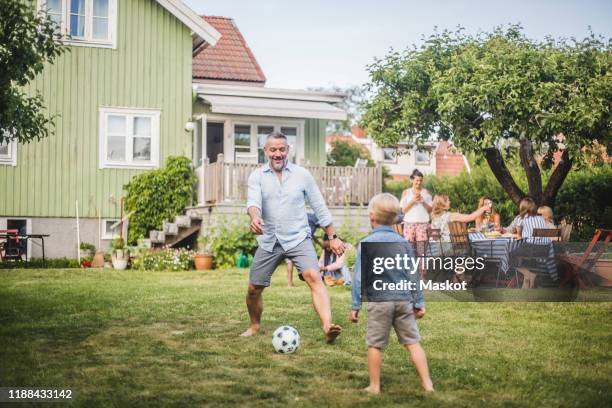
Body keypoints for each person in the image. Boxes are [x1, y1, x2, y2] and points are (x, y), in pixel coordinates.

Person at [243, 131, 345, 344]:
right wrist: (255, 217)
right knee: (254, 289)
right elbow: (253, 203)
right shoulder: (257, 176)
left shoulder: (302, 175)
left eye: (282, 149)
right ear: (265, 151)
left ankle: (328, 326)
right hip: (269, 239)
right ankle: (254, 325)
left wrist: (333, 236)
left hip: (298, 238)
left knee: (314, 277)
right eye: (273, 149)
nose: (277, 154)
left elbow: (319, 207)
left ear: (288, 150)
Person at [350, 193, 433, 394]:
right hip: (403, 300)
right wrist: (419, 302)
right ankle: (427, 384)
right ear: (396, 218)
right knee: (413, 342)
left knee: (374, 344)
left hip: (379, 302)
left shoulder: (366, 243)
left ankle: (374, 386)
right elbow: (413, 275)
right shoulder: (403, 243)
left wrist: (355, 305)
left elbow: (358, 277)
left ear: (371, 216)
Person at [400, 169, 432, 250]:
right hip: (409, 224)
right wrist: (413, 201)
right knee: (408, 249)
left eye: (421, 180)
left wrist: (423, 202)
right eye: (417, 180)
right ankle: (410, 263)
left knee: (421, 250)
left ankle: (421, 263)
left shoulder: (426, 193)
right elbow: (403, 210)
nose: (419, 182)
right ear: (412, 180)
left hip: (423, 224)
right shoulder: (406, 192)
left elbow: (430, 210)